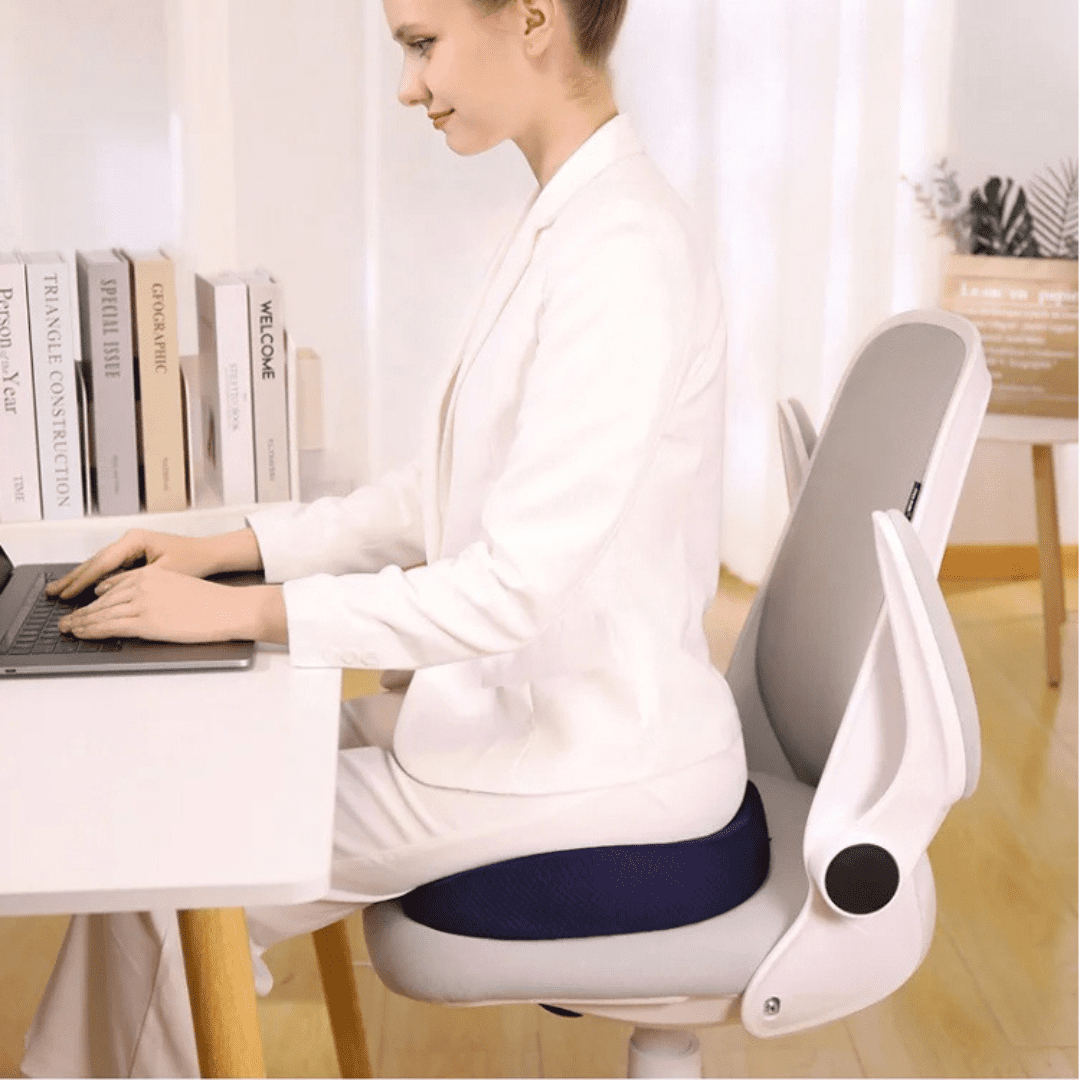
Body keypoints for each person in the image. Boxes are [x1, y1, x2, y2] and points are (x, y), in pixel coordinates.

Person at [22, 0, 747, 1074]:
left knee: (173, 870)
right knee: (170, 818)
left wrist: (244, 612)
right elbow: (439, 496)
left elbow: (509, 586)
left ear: (533, 19)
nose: (408, 87)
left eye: (421, 44)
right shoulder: (569, 219)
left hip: (594, 755)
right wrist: (230, 549)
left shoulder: (623, 253)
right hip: (522, 718)